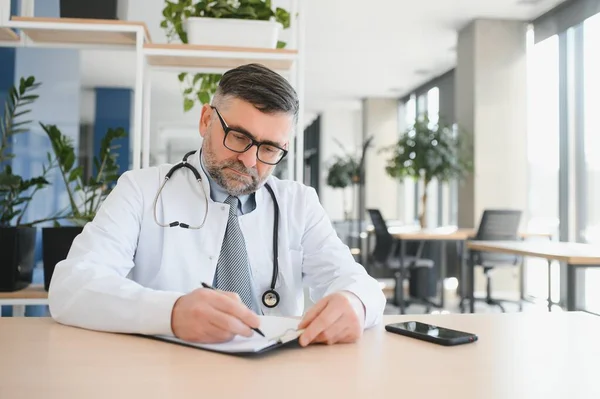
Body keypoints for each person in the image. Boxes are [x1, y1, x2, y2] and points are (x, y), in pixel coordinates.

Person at [48, 63, 386, 347]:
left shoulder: (299, 203)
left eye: (269, 148)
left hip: (273, 375)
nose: (250, 160)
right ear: (206, 120)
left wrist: (354, 303)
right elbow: (71, 287)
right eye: (238, 137)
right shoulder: (140, 190)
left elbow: (356, 281)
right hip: (166, 371)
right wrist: (172, 312)